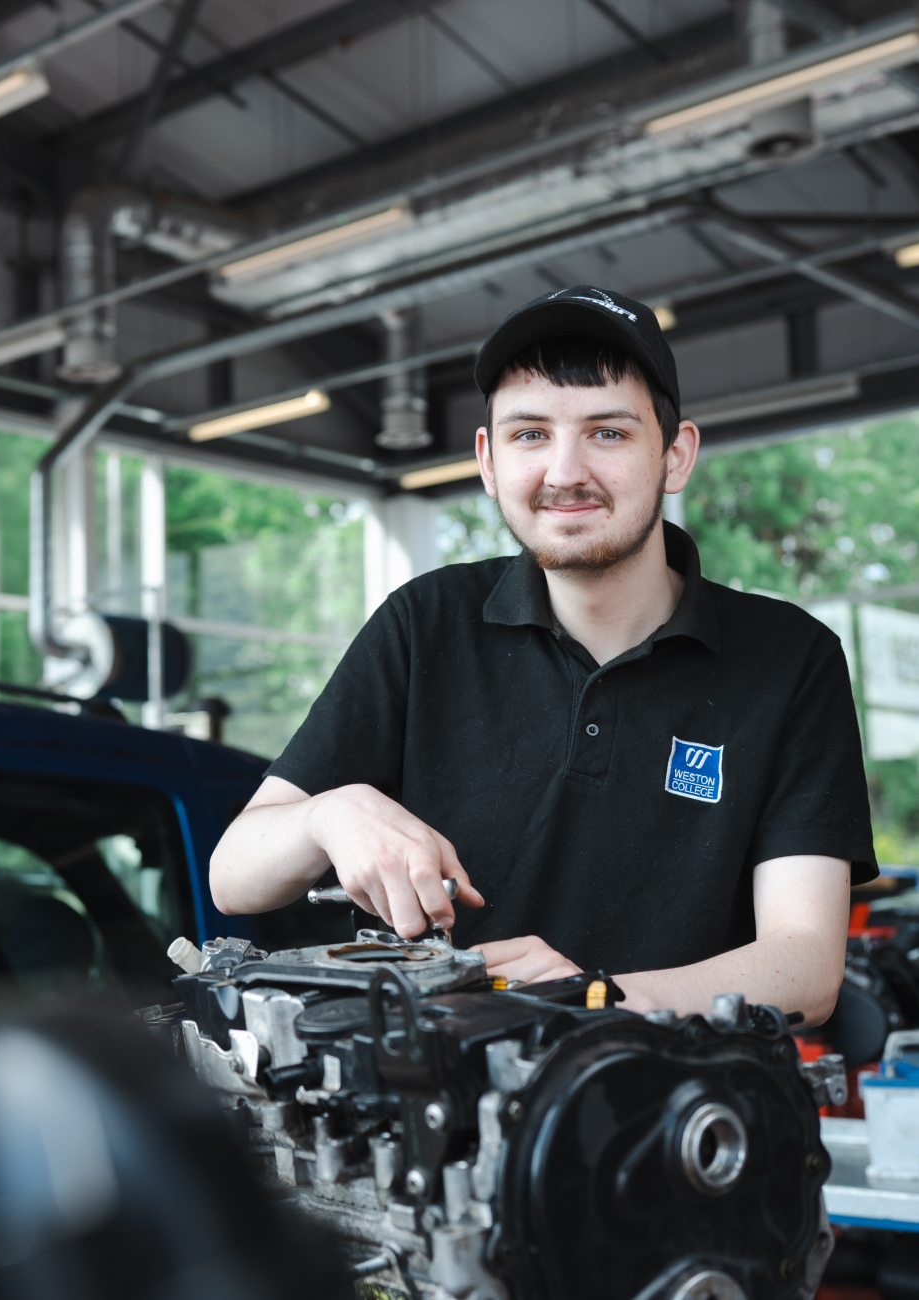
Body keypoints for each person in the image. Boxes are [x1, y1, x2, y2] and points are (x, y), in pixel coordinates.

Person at [209, 285, 875, 1025]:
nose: (564, 472)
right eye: (531, 434)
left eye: (608, 433)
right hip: (444, 1123)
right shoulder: (426, 624)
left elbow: (807, 964)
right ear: (489, 461)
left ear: (676, 455)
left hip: (685, 1119)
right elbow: (234, 877)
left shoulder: (788, 659)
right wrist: (328, 815)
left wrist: (593, 1001)